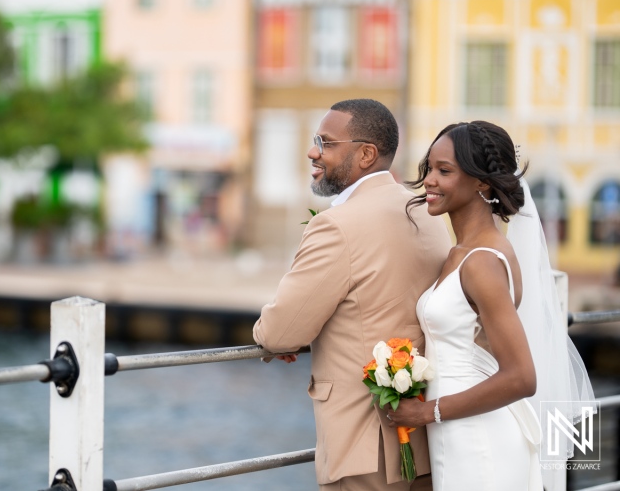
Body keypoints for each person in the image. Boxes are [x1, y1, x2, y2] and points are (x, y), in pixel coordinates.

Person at [253, 99, 451, 491]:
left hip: (364, 447)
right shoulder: (427, 215)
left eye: (326, 143)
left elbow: (278, 333)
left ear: (365, 154)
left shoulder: (337, 225)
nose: (313, 151)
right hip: (424, 444)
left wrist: (276, 335)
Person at [387, 121, 595, 491]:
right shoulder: (462, 253)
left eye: (444, 171)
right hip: (456, 433)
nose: (430, 180)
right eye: (429, 168)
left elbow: (522, 377)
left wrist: (426, 411)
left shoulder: (482, 262)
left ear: (482, 182)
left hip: (479, 439)